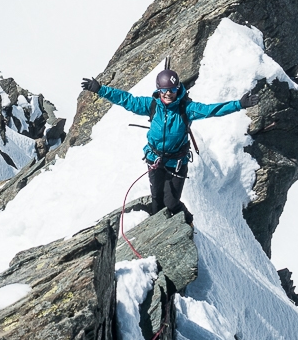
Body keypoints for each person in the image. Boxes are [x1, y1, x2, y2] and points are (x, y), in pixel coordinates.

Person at [80, 69, 257, 224]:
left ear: (177, 89)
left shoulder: (186, 108)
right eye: (164, 90)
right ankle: (160, 232)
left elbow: (211, 110)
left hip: (176, 164)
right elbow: (126, 100)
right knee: (157, 202)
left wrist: (239, 104)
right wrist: (100, 89)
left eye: (172, 89)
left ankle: (187, 220)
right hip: (154, 160)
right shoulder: (152, 105)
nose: (168, 94)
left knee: (171, 203)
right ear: (159, 90)